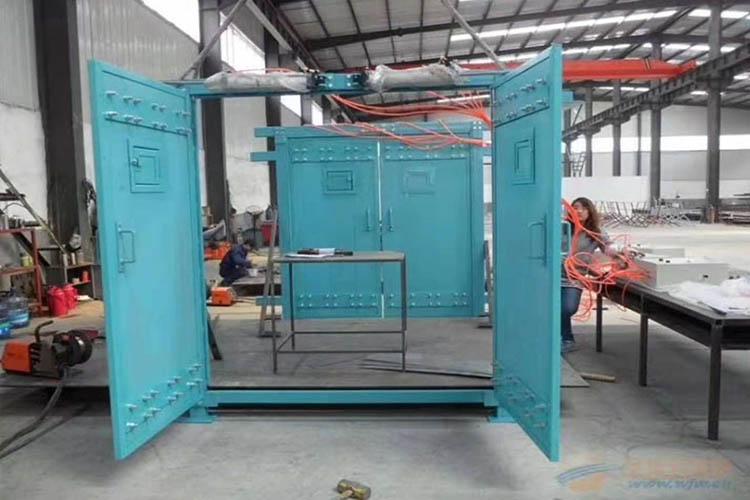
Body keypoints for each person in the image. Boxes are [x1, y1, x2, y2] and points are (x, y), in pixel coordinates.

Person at [561, 197, 619, 353]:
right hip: (554, 276)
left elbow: (608, 246)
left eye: (583, 208)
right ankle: (566, 339)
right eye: (575, 207)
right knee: (554, 308)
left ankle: (563, 337)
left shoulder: (594, 232)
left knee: (568, 308)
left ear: (589, 211)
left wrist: (619, 252)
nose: (578, 211)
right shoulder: (563, 227)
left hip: (575, 277)